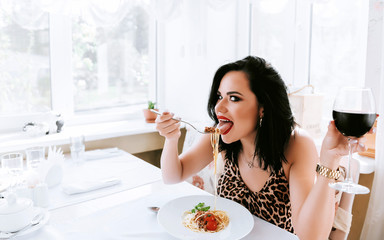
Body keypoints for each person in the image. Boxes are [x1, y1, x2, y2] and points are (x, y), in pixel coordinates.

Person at [155, 56, 370, 239]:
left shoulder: (296, 144)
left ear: (262, 108)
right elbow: (173, 175)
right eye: (219, 96)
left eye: (234, 98)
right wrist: (171, 138)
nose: (218, 107)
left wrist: (329, 161)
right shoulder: (221, 134)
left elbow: (310, 236)